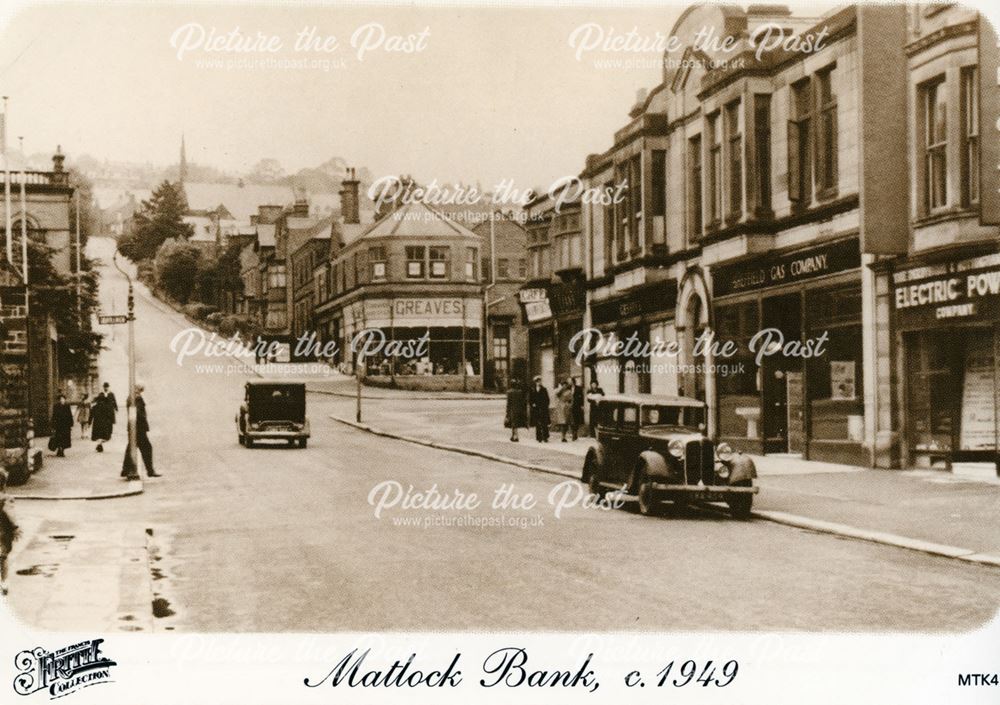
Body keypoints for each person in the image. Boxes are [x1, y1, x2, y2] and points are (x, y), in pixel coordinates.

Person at [122, 384, 161, 479]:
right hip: (138, 428)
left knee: (131, 448)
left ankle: (126, 470)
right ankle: (148, 471)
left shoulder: (131, 397)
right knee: (147, 448)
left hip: (134, 428)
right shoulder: (136, 398)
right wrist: (143, 420)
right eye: (140, 390)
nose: (140, 391)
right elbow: (138, 413)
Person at [0, 468, 21, 596]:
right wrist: (16, 527)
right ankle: (4, 582)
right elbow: (10, 514)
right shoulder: (6, 499)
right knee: (3, 558)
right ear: (4, 483)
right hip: (2, 533)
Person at [505, 377, 527, 442]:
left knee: (513, 423)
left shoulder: (509, 392)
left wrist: (507, 412)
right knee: (515, 423)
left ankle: (516, 436)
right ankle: (513, 436)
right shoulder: (520, 392)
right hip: (519, 409)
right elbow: (523, 402)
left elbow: (508, 403)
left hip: (512, 410)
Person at [529, 376, 550, 443]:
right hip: (536, 409)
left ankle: (545, 437)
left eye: (540, 381)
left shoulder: (544, 389)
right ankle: (539, 437)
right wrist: (532, 404)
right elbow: (530, 399)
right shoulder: (532, 389)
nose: (539, 382)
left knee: (544, 423)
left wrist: (545, 406)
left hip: (543, 408)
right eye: (538, 381)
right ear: (535, 382)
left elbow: (547, 399)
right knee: (537, 423)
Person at [556, 378, 574, 442]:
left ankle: (566, 435)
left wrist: (569, 405)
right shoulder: (559, 392)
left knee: (566, 423)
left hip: (567, 409)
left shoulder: (569, 392)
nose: (564, 386)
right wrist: (560, 388)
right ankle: (562, 436)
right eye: (563, 385)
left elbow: (571, 400)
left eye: (565, 385)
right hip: (561, 409)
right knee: (562, 423)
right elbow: (556, 394)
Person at [570, 376, 585, 441]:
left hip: (577, 406)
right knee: (571, 420)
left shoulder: (578, 388)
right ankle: (573, 433)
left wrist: (582, 405)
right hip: (570, 406)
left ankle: (575, 432)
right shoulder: (568, 388)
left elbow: (581, 397)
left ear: (573, 382)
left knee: (577, 420)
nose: (570, 383)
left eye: (571, 381)